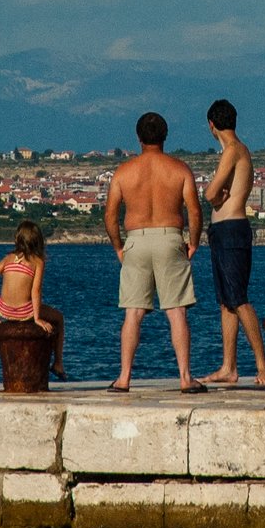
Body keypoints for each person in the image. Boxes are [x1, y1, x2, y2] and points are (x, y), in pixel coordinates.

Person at [103, 111, 206, 393]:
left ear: (138, 138)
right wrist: (194, 242)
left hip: (136, 239)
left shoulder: (124, 172)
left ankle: (124, 377)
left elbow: (110, 215)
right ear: (165, 137)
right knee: (176, 311)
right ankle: (185, 377)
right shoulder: (179, 170)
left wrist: (118, 246)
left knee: (133, 312)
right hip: (170, 237)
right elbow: (195, 211)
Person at [200, 99, 265, 387]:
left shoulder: (232, 150)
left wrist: (213, 195)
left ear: (212, 125)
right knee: (226, 303)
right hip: (223, 231)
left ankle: (262, 364)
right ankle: (228, 366)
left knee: (239, 299)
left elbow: (210, 193)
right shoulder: (236, 150)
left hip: (231, 230)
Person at [0, 219, 68, 380]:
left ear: (17, 239)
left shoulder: (8, 258)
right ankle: (58, 363)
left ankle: (57, 363)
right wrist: (37, 318)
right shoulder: (37, 262)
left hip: (4, 311)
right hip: (25, 312)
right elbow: (36, 291)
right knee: (59, 318)